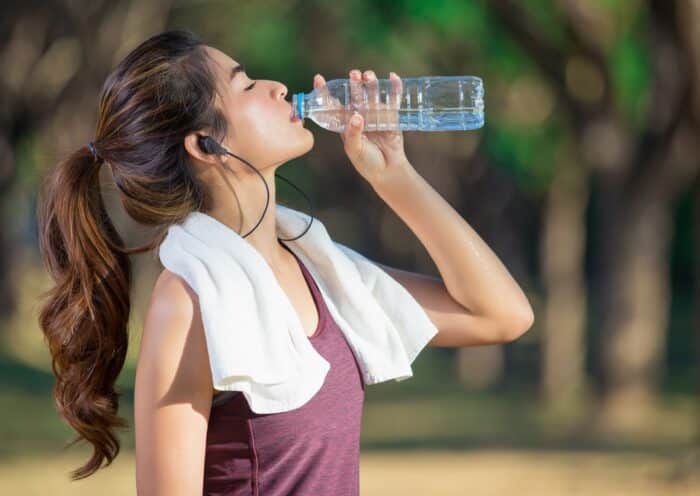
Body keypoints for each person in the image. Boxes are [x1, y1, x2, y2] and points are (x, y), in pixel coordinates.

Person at [36, 28, 533, 496]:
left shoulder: (323, 271)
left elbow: (501, 314)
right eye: (246, 84)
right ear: (205, 144)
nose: (276, 87)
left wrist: (394, 176)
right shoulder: (189, 301)